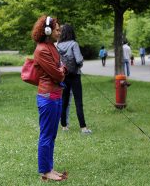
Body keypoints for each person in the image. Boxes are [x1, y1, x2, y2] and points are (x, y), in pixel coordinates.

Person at [32, 15, 67, 181]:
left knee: (52, 134)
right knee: (46, 134)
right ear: (48, 30)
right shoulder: (42, 50)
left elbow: (60, 69)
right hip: (48, 97)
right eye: (57, 29)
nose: (59, 32)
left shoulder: (52, 47)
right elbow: (57, 74)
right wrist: (61, 70)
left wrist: (61, 70)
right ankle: (45, 171)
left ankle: (50, 168)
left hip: (57, 96)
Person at [57, 24, 92, 134]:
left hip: (63, 75)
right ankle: (83, 127)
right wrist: (80, 64)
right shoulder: (74, 44)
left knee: (64, 101)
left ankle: (64, 126)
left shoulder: (58, 45)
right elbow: (79, 60)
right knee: (78, 101)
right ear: (72, 33)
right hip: (75, 75)